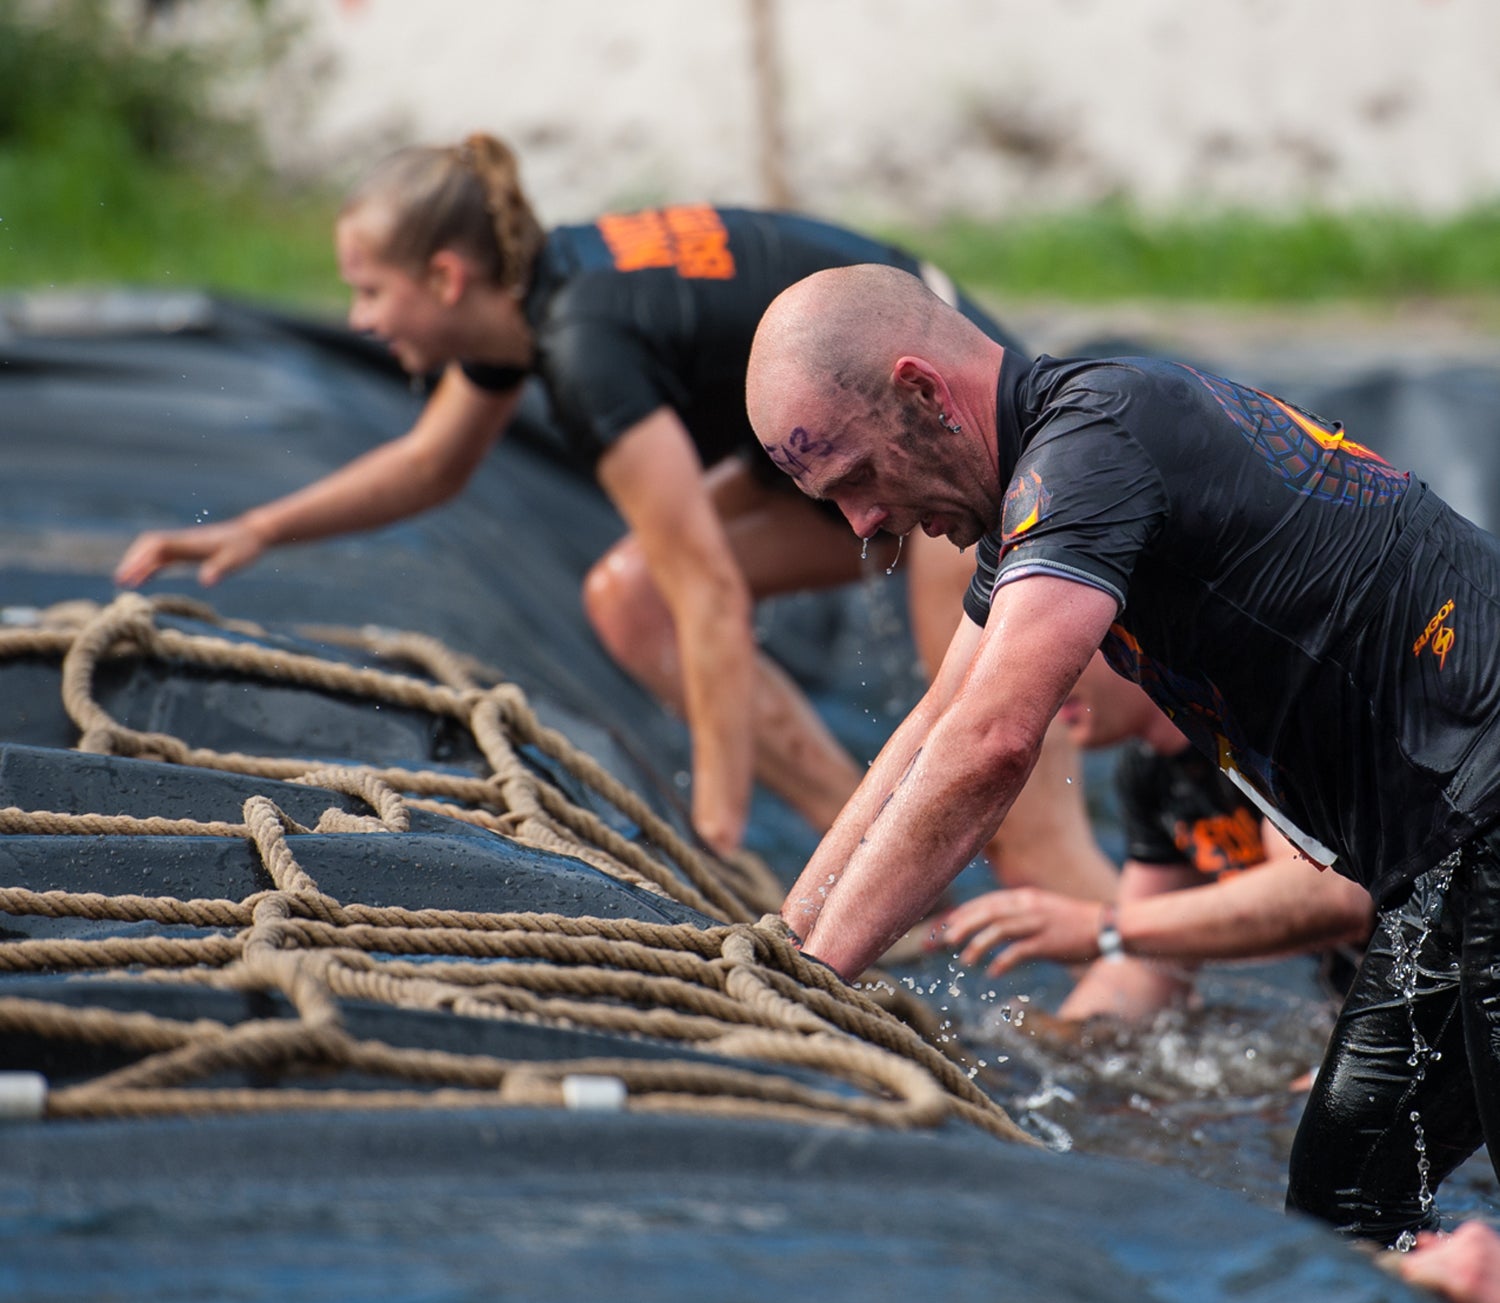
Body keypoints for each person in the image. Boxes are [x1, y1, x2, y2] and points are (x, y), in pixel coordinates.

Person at [114, 134, 1112, 899]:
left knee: (1001, 785)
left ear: (448, 279)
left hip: (945, 434)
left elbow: (711, 592)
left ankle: (1122, 978)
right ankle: (871, 870)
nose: (362, 320)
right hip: (834, 442)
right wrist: (257, 530)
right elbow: (429, 465)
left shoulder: (587, 347)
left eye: (370, 291)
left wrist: (713, 829)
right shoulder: (531, 308)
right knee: (628, 594)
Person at [745, 261, 1500, 1247]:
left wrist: (815, 1000)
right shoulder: (1053, 476)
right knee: (1346, 1209)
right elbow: (937, 719)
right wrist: (788, 952)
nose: (863, 526)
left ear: (925, 392)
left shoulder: (1090, 450)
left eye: (857, 480)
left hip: (1481, 819)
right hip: (1439, 862)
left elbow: (992, 743)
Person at [926, 652, 1375, 1025]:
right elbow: (1146, 969)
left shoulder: (1259, 724)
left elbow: (1333, 898)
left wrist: (1100, 927)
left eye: (1067, 647)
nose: (1041, 671)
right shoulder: (1150, 772)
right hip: (1363, 1002)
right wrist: (1052, 1047)